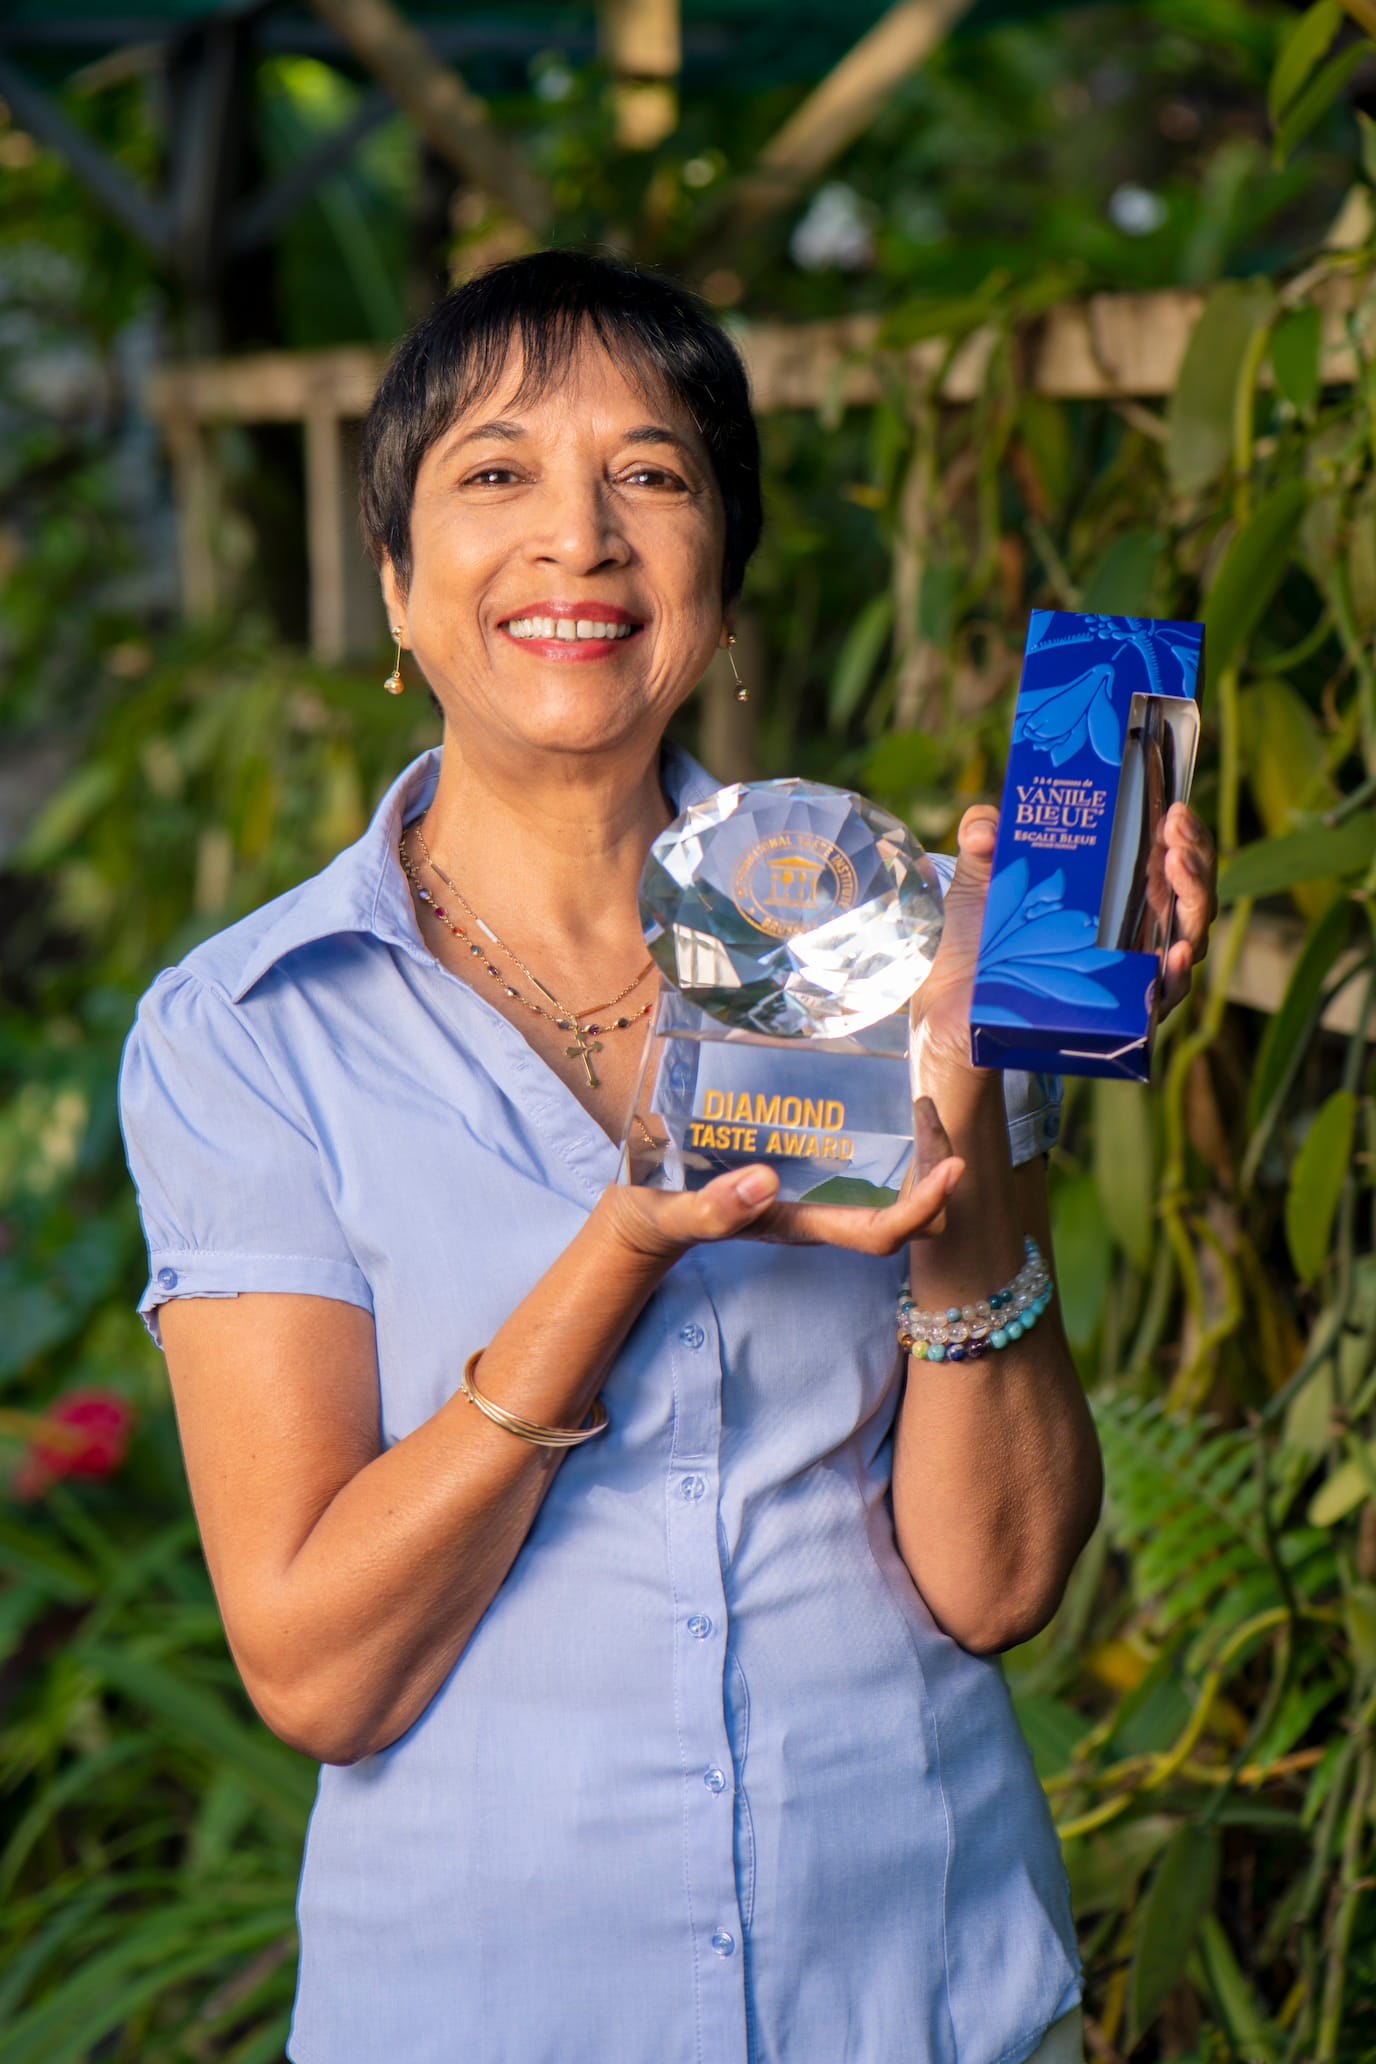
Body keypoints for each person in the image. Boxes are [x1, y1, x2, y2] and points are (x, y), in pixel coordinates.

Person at [119, 251, 1217, 2064]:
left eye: (652, 472)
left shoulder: (888, 931)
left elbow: (1001, 1582)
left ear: (718, 572)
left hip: (919, 1999)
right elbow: (318, 1669)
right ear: (397, 587)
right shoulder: (253, 1028)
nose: (581, 537)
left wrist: (969, 1102)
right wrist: (619, 1249)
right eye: (495, 474)